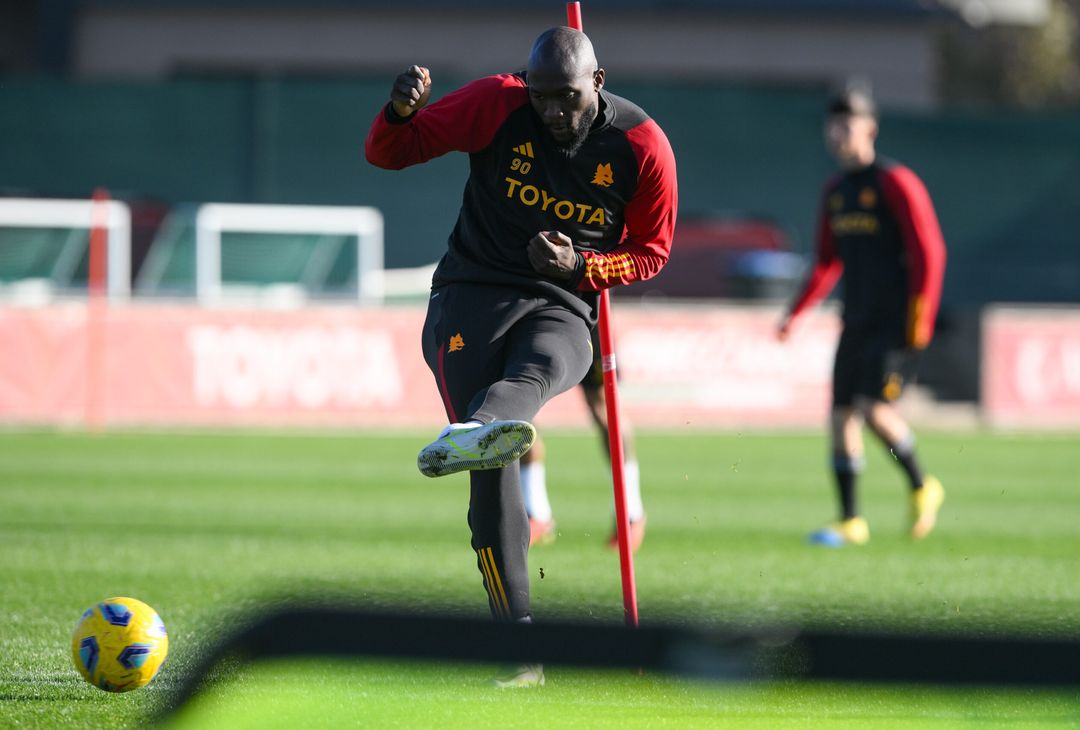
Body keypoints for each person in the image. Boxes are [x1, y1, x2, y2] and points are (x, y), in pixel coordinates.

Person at [365, 27, 677, 685]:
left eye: (567, 97)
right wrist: (398, 115)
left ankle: (478, 431)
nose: (555, 113)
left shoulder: (642, 144)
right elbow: (391, 154)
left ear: (597, 81)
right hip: (466, 299)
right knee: (491, 467)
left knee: (525, 384)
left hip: (563, 306)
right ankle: (518, 647)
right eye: (543, 99)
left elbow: (652, 249)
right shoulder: (497, 103)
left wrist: (583, 262)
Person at [776, 83, 946, 548]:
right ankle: (852, 520)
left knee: (873, 409)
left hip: (896, 322)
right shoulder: (836, 191)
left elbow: (929, 252)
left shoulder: (895, 182)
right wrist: (796, 312)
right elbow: (827, 262)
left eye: (846, 124)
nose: (837, 133)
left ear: (869, 129)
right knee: (840, 417)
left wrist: (920, 316)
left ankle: (922, 485)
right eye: (832, 125)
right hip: (856, 320)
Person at [521, 331, 647, 552]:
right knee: (521, 403)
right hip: (532, 310)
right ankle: (535, 511)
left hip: (587, 312)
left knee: (604, 408)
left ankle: (630, 512)